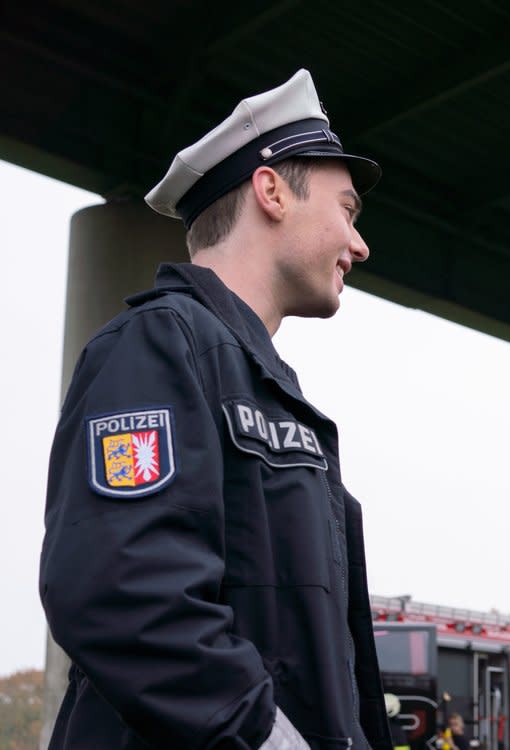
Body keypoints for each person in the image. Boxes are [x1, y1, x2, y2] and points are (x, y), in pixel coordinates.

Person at [40, 69, 392, 749]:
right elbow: (123, 595)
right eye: (347, 209)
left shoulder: (259, 386)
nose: (360, 244)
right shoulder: (156, 346)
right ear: (271, 193)